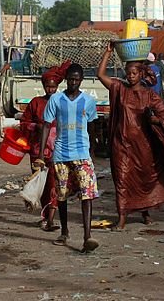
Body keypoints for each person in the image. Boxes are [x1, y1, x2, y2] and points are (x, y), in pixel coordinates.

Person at [97, 43, 164, 229]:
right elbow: (101, 75)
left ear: (141, 74)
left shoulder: (150, 95)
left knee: (144, 178)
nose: (130, 76)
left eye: (134, 73)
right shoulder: (120, 89)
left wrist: (155, 120)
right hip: (122, 144)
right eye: (128, 73)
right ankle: (122, 217)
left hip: (143, 146)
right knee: (121, 179)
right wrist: (108, 52)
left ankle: (145, 211)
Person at [37, 63, 100, 253]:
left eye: (76, 80)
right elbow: (46, 125)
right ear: (66, 80)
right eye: (70, 79)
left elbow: (92, 127)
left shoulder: (88, 101)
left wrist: (93, 152)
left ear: (81, 80)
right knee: (62, 195)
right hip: (61, 154)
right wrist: (41, 153)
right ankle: (64, 231)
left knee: (87, 194)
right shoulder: (55, 100)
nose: (73, 83)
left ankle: (87, 236)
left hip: (82, 153)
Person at [20, 62, 70, 232]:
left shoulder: (63, 102)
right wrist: (36, 127)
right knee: (41, 185)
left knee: (55, 184)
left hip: (58, 149)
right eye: (48, 87)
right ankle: (44, 215)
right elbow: (24, 123)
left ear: (58, 86)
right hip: (38, 150)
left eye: (53, 87)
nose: (51, 90)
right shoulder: (35, 103)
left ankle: (50, 218)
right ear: (43, 86)